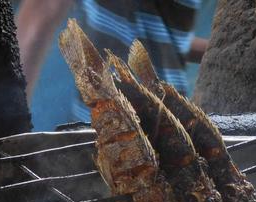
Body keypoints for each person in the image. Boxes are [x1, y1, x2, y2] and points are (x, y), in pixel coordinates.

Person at [16, 0, 208, 121]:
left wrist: (225, 49)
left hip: (172, 128)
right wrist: (9, 124)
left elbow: (167, 38)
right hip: (105, 130)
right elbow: (43, 8)